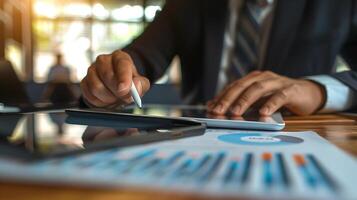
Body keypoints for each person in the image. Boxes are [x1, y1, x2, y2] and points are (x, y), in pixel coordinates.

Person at [80, 0, 357, 116]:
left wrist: (318, 90)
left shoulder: (339, 5)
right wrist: (113, 76)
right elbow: (141, 56)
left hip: (295, 142)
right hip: (199, 141)